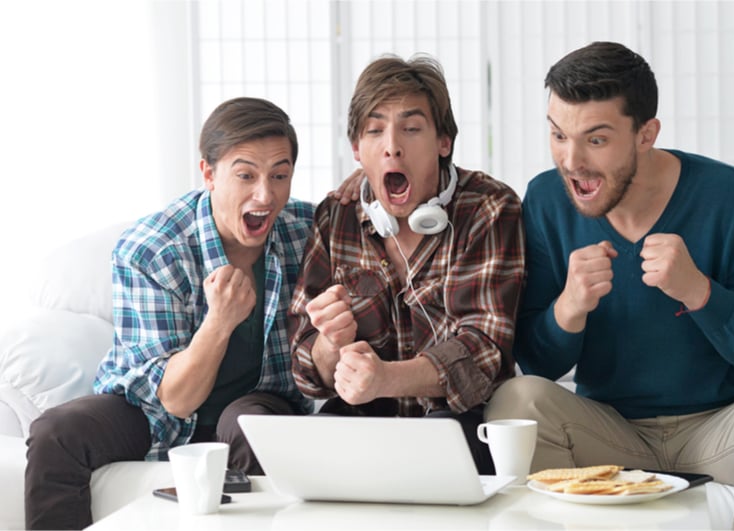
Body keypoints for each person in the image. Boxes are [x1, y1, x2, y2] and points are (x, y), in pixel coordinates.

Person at [485, 41, 734, 529]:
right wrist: (569, 308)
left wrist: (700, 292)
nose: (572, 161)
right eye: (558, 136)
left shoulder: (732, 197)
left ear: (646, 134)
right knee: (515, 400)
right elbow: (539, 364)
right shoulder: (546, 199)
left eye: (597, 140)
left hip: (721, 431)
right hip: (609, 430)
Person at [25, 97, 321, 529]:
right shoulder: (151, 249)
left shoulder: (305, 233)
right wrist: (220, 321)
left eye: (280, 175)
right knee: (58, 433)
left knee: (249, 426)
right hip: (154, 408)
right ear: (208, 173)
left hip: (256, 401)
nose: (266, 194)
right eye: (246, 175)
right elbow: (175, 400)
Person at [288, 54, 525, 474]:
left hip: (461, 421)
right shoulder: (335, 216)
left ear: (443, 142)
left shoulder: (488, 208)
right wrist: (329, 344)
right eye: (375, 130)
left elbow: (484, 351)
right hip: (364, 421)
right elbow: (306, 371)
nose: (392, 145)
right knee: (311, 454)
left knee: (437, 448)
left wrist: (385, 378)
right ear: (358, 150)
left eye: (412, 129)